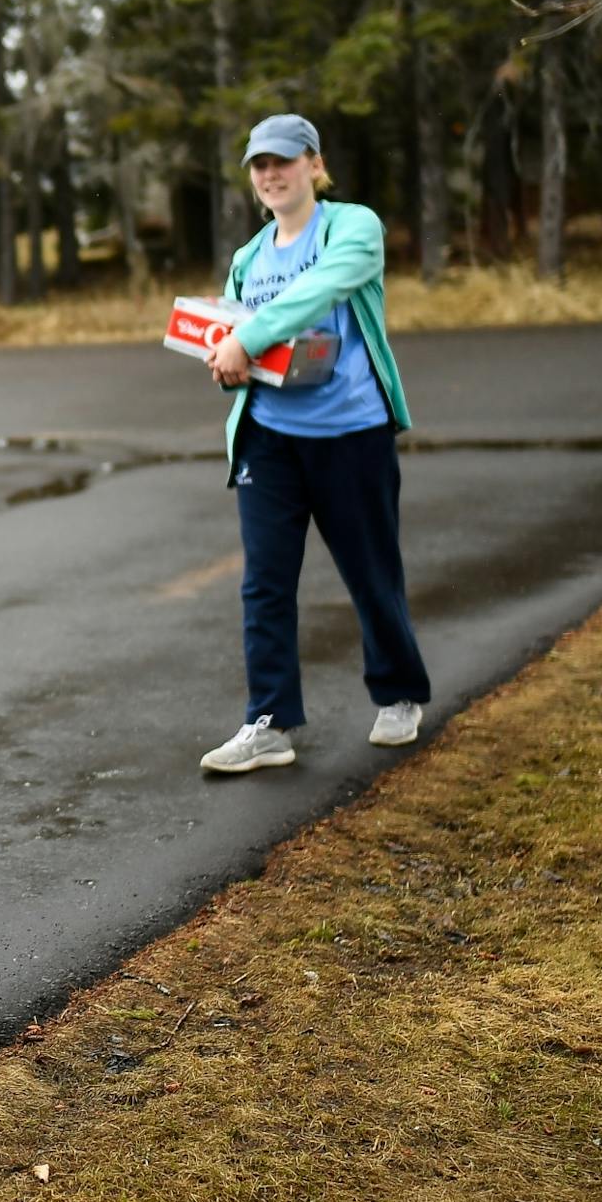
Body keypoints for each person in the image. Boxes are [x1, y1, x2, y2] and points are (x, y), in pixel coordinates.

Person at [200, 113, 431, 775]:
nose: (271, 174)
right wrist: (224, 356)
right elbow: (230, 339)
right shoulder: (249, 257)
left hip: (350, 434)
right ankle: (268, 724)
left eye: (284, 160)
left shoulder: (353, 228)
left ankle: (398, 694)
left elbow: (319, 290)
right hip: (269, 441)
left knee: (370, 570)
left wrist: (246, 338)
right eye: (260, 165)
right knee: (265, 584)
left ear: (314, 165)